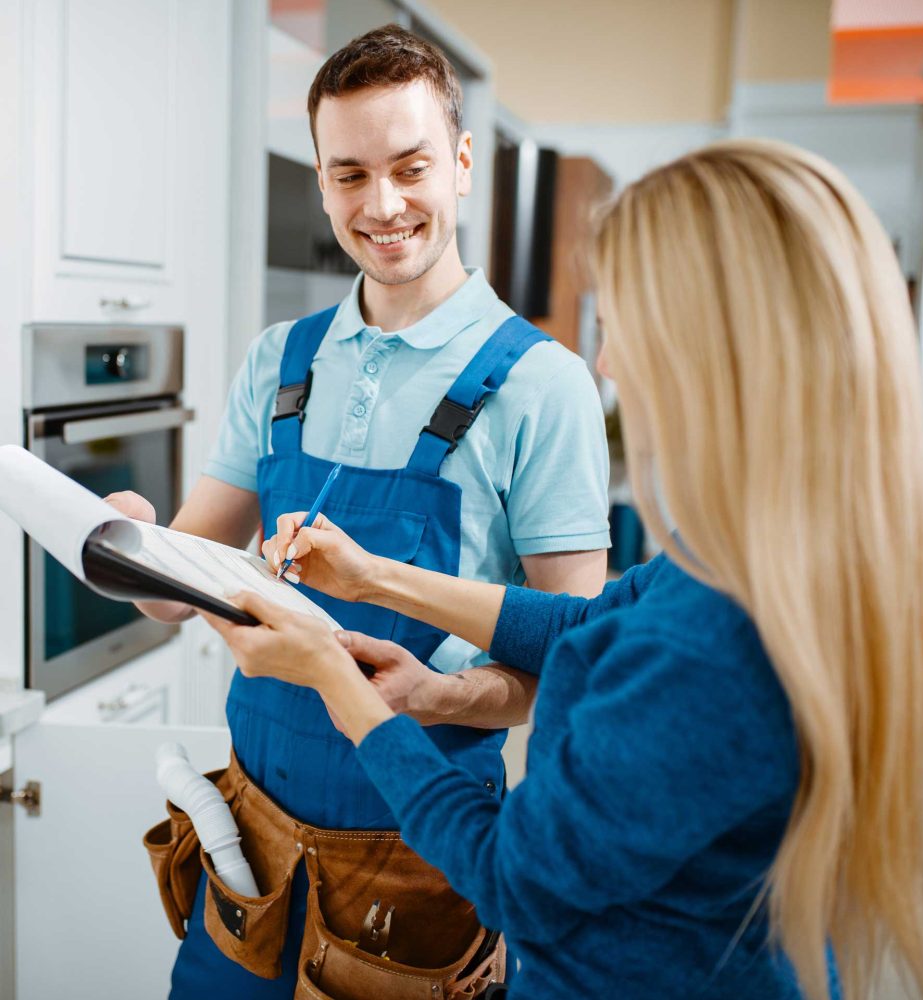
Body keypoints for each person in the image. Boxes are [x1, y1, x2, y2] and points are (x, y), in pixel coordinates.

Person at [203, 139, 923, 1000]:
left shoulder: (704, 648)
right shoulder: (760, 561)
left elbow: (514, 875)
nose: (609, 362)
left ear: (711, 351)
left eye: (625, 324)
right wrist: (374, 578)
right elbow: (586, 622)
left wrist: (338, 681)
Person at [113, 25, 610, 1000]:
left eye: (410, 167)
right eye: (349, 175)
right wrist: (125, 545)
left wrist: (436, 696)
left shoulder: (542, 387)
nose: (381, 206)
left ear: (461, 163)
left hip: (420, 861)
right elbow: (176, 592)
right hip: (246, 847)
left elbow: (577, 667)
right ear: (322, 180)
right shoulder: (279, 360)